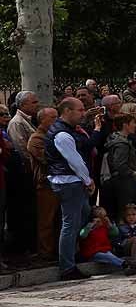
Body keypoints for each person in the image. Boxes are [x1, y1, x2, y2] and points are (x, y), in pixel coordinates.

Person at [46, 97, 98, 281]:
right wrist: (87, 180)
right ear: (67, 111)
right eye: (80, 110)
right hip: (68, 181)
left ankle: (76, 253)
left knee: (82, 216)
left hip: (71, 180)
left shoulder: (67, 131)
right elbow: (75, 161)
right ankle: (67, 267)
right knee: (70, 224)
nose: (83, 113)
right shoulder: (62, 134)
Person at [26, 107, 59, 260]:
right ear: (42, 120)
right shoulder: (37, 139)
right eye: (52, 118)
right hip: (45, 183)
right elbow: (49, 159)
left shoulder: (55, 135)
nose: (56, 121)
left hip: (59, 182)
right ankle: (45, 252)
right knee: (46, 220)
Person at [103, 113, 136, 219]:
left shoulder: (116, 140)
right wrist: (132, 172)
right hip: (124, 182)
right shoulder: (122, 144)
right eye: (132, 123)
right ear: (125, 125)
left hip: (121, 181)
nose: (135, 125)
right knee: (128, 210)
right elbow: (119, 164)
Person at [79, 206, 136, 276]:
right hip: (93, 253)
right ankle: (125, 264)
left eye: (104, 217)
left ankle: (126, 265)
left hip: (105, 250)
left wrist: (109, 224)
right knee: (106, 256)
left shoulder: (105, 227)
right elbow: (82, 235)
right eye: (100, 217)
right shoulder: (89, 227)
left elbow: (115, 233)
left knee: (109, 255)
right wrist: (90, 226)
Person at [8, 90, 38, 156]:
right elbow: (21, 149)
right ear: (23, 105)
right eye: (34, 102)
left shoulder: (28, 119)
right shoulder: (16, 122)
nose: (37, 105)